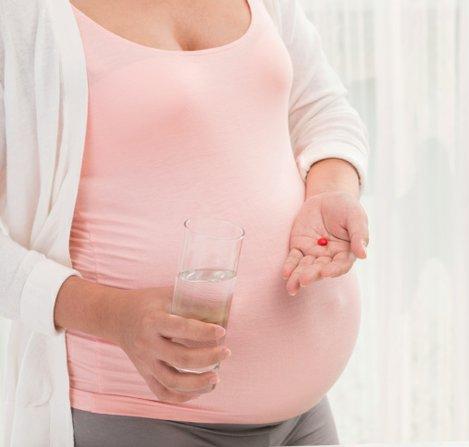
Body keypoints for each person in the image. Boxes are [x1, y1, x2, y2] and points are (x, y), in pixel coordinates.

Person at [0, 0, 370, 445]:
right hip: (139, 415)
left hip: (305, 418)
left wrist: (332, 190)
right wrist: (112, 315)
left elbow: (321, 108)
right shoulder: (20, 17)